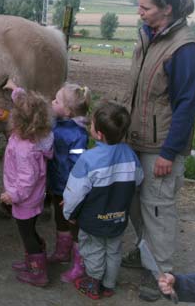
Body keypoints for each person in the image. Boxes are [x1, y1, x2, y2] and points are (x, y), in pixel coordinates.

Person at [120, 0, 195, 302]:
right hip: (136, 138)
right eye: (139, 5)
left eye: (146, 7)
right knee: (133, 204)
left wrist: (169, 153)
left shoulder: (185, 49)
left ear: (167, 9)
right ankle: (146, 254)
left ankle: (159, 272)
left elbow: (186, 106)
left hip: (161, 147)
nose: (139, 12)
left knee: (157, 209)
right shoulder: (148, 35)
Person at [63, 101, 144, 300]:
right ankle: (109, 284)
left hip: (93, 220)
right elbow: (139, 178)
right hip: (118, 218)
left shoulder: (88, 159)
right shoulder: (130, 154)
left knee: (93, 250)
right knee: (114, 250)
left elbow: (75, 191)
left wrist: (69, 213)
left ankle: (93, 282)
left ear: (99, 134)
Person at [0, 78, 54, 287]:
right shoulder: (40, 135)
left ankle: (38, 272)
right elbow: (26, 104)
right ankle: (34, 261)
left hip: (25, 199)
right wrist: (15, 89)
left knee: (27, 233)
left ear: (19, 121)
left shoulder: (24, 148)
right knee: (30, 229)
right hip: (35, 197)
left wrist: (12, 195)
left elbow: (27, 179)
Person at [46, 83, 91, 284]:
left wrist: (73, 194)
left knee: (74, 224)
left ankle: (79, 264)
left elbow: (79, 166)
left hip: (70, 188)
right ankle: (62, 252)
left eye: (56, 101)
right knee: (60, 218)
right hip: (56, 183)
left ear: (67, 110)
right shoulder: (57, 124)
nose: (51, 103)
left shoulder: (78, 134)